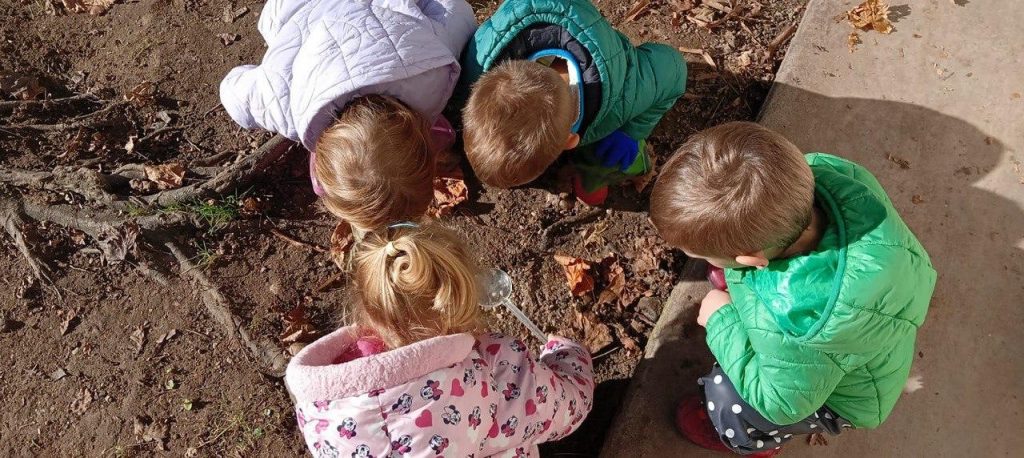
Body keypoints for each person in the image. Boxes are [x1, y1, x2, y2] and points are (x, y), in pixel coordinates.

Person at [649, 122, 936, 455]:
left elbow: (780, 403)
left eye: (700, 255)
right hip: (860, 343)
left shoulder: (803, 323)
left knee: (726, 396)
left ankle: (749, 439)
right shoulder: (826, 184)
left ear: (752, 259)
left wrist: (721, 321)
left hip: (838, 397)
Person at [285, 222, 595, 457]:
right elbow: (570, 407)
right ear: (459, 300)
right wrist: (568, 353)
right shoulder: (498, 367)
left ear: (366, 306)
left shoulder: (323, 407)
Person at [219, 0, 476, 232]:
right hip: (293, 10)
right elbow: (234, 94)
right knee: (273, 25)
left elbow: (459, 13)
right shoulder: (284, 104)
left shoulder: (434, 70)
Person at [459, 0, 686, 205]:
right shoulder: (477, 66)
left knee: (607, 155)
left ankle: (601, 168)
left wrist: (631, 132)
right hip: (527, 17)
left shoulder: (624, 93)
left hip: (592, 37)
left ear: (571, 140)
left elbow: (673, 68)